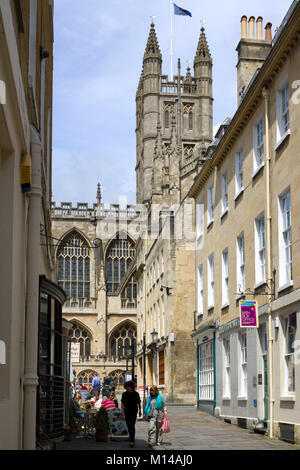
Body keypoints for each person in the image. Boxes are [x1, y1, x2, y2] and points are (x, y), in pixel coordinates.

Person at [121, 381, 142, 448]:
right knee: (129, 426)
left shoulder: (136, 394)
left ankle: (131, 440)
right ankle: (131, 438)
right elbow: (122, 404)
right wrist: (122, 412)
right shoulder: (124, 394)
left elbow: (138, 403)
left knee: (132, 425)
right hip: (127, 412)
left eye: (128, 387)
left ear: (131, 387)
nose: (127, 388)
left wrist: (140, 411)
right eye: (126, 387)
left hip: (133, 412)